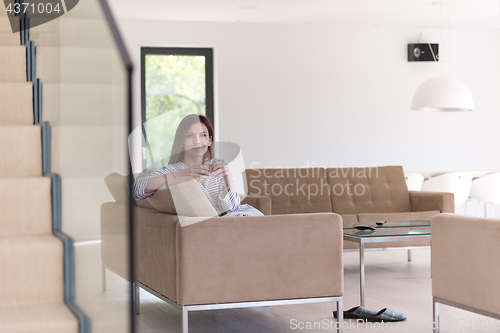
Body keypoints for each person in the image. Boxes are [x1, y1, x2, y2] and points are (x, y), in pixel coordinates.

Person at [133, 114, 263, 217]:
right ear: (182, 141)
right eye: (190, 136)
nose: (197, 141)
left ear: (209, 140)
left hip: (236, 219)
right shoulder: (173, 170)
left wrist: (228, 180)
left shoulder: (219, 166)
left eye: (203, 135)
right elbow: (137, 190)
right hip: (213, 227)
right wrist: (182, 174)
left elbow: (233, 208)